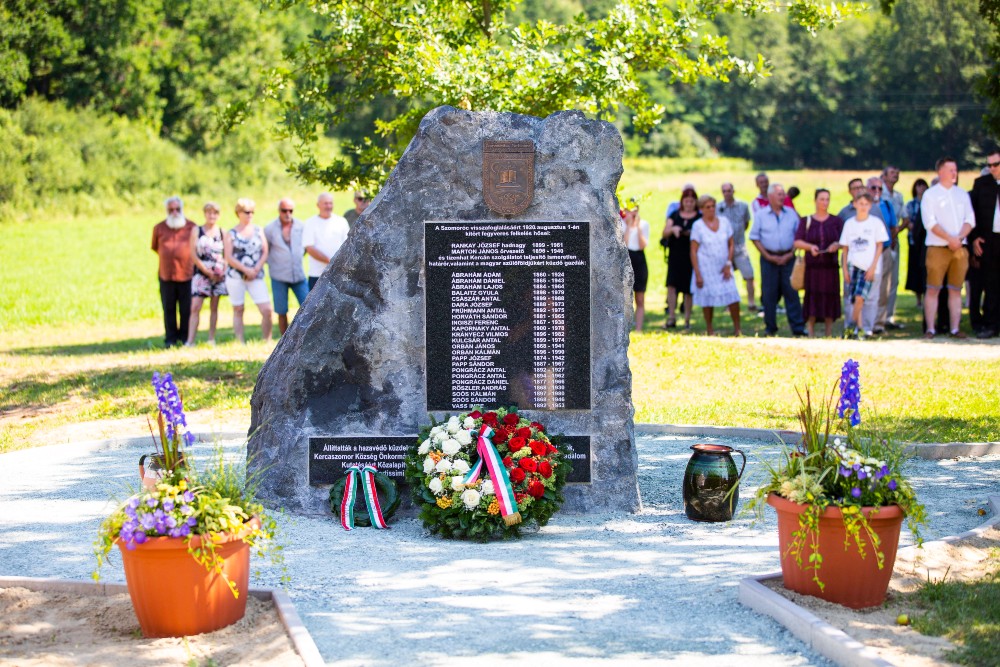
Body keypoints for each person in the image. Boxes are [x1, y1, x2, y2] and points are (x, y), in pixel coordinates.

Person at [921, 157, 976, 339]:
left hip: (960, 247)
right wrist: (949, 238)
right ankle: (930, 328)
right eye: (951, 169)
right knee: (933, 288)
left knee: (955, 289)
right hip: (937, 247)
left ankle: (954, 328)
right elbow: (930, 222)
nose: (954, 173)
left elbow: (970, 220)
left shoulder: (962, 194)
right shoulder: (930, 195)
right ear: (941, 172)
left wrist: (958, 238)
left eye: (955, 169)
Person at [749, 183, 806, 337]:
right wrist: (768, 256)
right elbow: (754, 237)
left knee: (792, 291)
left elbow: (799, 236)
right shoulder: (761, 215)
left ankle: (798, 327)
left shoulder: (791, 214)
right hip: (768, 258)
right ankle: (770, 327)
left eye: (783, 194)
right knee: (769, 294)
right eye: (779, 194)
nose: (782, 197)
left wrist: (790, 254)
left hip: (789, 257)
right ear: (770, 197)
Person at [793, 189, 843, 337]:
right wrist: (810, 247)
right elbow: (797, 241)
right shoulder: (806, 221)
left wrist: (836, 245)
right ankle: (811, 331)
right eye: (822, 199)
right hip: (813, 268)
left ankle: (829, 331)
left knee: (830, 296)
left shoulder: (836, 221)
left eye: (827, 199)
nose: (824, 202)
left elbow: (844, 240)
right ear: (815, 200)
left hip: (830, 266)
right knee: (812, 297)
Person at [839, 192, 888, 340]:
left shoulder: (875, 223)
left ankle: (856, 327)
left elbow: (880, 246)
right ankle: (858, 328)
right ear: (854, 204)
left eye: (866, 204)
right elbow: (845, 248)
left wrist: (873, 267)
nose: (863, 207)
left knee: (862, 297)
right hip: (854, 265)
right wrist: (845, 270)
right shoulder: (849, 224)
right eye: (860, 204)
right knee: (854, 299)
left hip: (869, 267)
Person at [223, 198, 273, 344]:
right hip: (236, 276)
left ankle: (267, 340)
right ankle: (240, 341)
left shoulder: (258, 230)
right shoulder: (231, 233)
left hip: (256, 275)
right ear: (238, 213)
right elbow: (229, 256)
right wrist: (245, 269)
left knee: (267, 310)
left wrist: (256, 268)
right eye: (247, 212)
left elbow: (265, 251)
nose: (250, 215)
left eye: (252, 212)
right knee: (238, 309)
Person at [690, 195, 741, 336]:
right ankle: (710, 329)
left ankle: (737, 329)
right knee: (707, 298)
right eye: (708, 207)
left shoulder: (724, 222)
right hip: (706, 267)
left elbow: (731, 244)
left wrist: (729, 263)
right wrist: (698, 273)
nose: (712, 209)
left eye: (713, 206)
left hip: (724, 266)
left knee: (732, 295)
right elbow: (693, 251)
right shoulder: (697, 226)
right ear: (701, 209)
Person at [151, 196, 196, 348]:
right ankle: (170, 339)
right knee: (168, 308)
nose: (174, 212)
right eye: (171, 210)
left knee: (186, 309)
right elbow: (156, 247)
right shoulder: (159, 228)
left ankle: (185, 337)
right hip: (166, 274)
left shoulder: (191, 227)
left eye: (177, 209)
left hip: (187, 274)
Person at [264, 198, 308, 335]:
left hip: (298, 274)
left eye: (290, 210)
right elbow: (265, 251)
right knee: (281, 310)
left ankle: (305, 335)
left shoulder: (301, 226)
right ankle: (283, 339)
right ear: (279, 211)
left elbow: (306, 247)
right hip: (279, 275)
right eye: (284, 210)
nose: (287, 213)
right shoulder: (270, 229)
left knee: (308, 305)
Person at [185, 202, 227, 346]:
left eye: (215, 213)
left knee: (214, 307)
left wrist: (220, 271)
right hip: (201, 273)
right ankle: (190, 341)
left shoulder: (222, 232)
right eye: (209, 213)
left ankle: (211, 338)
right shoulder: (197, 231)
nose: (212, 216)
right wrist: (206, 271)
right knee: (195, 306)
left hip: (218, 274)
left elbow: (226, 255)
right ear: (205, 214)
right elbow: (193, 254)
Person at [970, 148, 1000, 338]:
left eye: (995, 165)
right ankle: (990, 324)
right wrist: (973, 238)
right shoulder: (981, 184)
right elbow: (970, 213)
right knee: (991, 284)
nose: (992, 168)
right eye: (988, 165)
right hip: (989, 241)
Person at [662, 187, 701, 329]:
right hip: (675, 255)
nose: (689, 204)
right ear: (682, 201)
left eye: (691, 201)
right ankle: (671, 317)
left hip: (691, 255)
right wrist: (673, 230)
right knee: (672, 286)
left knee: (688, 288)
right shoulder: (675, 215)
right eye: (686, 201)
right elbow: (664, 232)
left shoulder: (698, 218)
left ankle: (687, 319)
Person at [867, 176, 900, 333]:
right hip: (866, 253)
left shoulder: (887, 205)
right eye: (873, 188)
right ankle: (864, 321)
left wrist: (891, 246)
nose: (877, 191)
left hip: (885, 251)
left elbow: (893, 227)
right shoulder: (863, 205)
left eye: (880, 188)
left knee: (883, 288)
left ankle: (878, 323)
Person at [718, 183, 756, 311]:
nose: (727, 193)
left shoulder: (743, 206)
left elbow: (746, 223)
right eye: (724, 191)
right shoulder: (718, 207)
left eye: (729, 190)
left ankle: (751, 302)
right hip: (724, 248)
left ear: (734, 190)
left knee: (749, 274)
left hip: (740, 246)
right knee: (727, 277)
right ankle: (729, 303)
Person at [303, 192, 350, 290]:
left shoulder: (341, 222)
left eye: (330, 203)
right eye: (325, 203)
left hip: (338, 273)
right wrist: (330, 261)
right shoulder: (310, 223)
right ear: (318, 205)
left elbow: (348, 245)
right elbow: (310, 248)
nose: (328, 206)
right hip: (317, 275)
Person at [621, 202, 649, 331]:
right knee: (626, 296)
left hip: (639, 259)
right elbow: (624, 245)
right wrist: (628, 226)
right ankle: (626, 326)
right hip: (626, 258)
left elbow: (643, 245)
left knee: (640, 295)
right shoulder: (620, 224)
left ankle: (638, 327)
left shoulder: (644, 225)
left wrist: (637, 227)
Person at [904, 179, 930, 308]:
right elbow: (906, 220)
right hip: (914, 241)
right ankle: (918, 299)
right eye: (918, 186)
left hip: (926, 241)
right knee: (914, 269)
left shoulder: (929, 203)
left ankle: (926, 297)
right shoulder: (910, 204)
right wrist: (912, 227)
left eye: (923, 185)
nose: (921, 188)